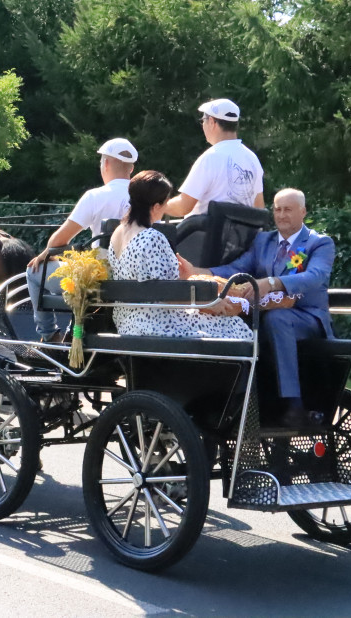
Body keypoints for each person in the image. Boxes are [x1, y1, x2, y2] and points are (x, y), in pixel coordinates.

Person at [178, 188, 334, 426]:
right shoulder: (264, 241)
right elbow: (236, 269)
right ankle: (233, 399)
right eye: (277, 209)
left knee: (276, 319)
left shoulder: (319, 243)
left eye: (288, 209)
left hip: (307, 315)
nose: (281, 215)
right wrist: (199, 272)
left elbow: (315, 276)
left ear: (303, 212)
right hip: (268, 312)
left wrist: (272, 282)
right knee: (232, 314)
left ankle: (294, 405)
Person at [109, 170, 253, 340]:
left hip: (125, 321)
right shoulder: (152, 237)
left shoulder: (117, 234)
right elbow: (167, 294)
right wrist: (210, 302)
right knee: (236, 326)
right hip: (155, 322)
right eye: (164, 205)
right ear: (156, 207)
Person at [27, 138, 138, 342]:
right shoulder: (144, 198)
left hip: (99, 281)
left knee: (33, 271)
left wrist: (46, 254)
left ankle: (49, 334)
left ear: (105, 164)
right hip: (134, 279)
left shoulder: (95, 196)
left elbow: (60, 240)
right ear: (131, 169)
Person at [163, 98, 265, 218]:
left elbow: (183, 207)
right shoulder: (252, 159)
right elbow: (259, 207)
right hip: (244, 236)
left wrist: (158, 204)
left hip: (206, 234)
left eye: (203, 120)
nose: (203, 126)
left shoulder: (210, 158)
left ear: (211, 122)